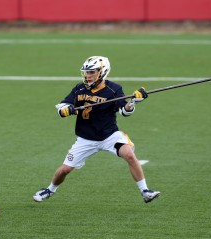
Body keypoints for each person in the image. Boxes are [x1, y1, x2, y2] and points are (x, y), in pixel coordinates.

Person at [33, 56, 160, 204]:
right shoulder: (79, 88)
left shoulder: (114, 89)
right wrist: (66, 110)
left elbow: (124, 111)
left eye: (92, 72)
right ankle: (50, 190)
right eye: (86, 72)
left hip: (109, 135)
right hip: (85, 138)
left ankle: (145, 191)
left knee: (129, 154)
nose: (88, 75)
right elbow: (62, 107)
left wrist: (133, 102)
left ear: (102, 72)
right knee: (64, 170)